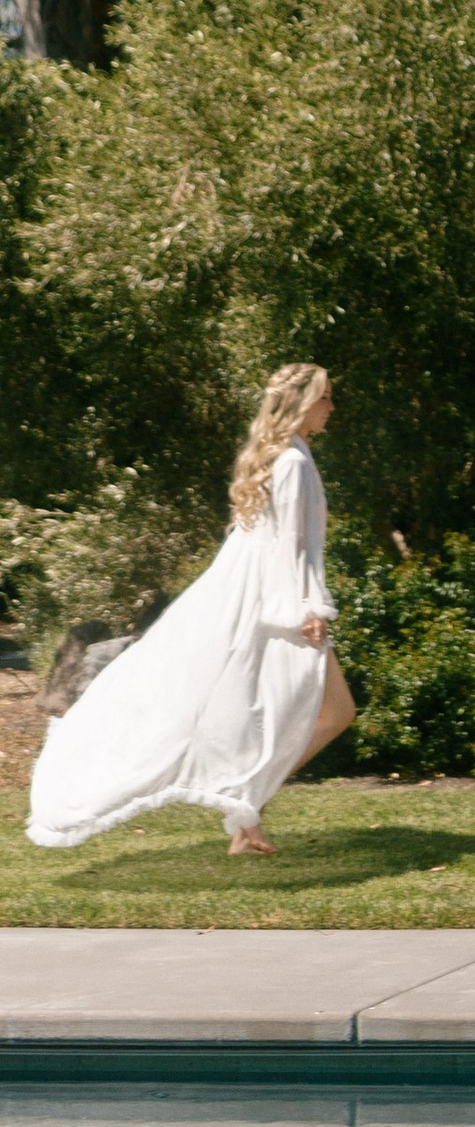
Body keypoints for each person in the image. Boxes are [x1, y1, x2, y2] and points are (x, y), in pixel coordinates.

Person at [27, 364, 351, 857]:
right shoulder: (291, 462)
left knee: (301, 712)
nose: (331, 407)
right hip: (278, 607)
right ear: (304, 403)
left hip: (264, 600)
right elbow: (289, 547)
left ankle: (246, 814)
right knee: (327, 712)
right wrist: (307, 609)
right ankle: (245, 806)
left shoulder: (291, 455)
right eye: (326, 398)